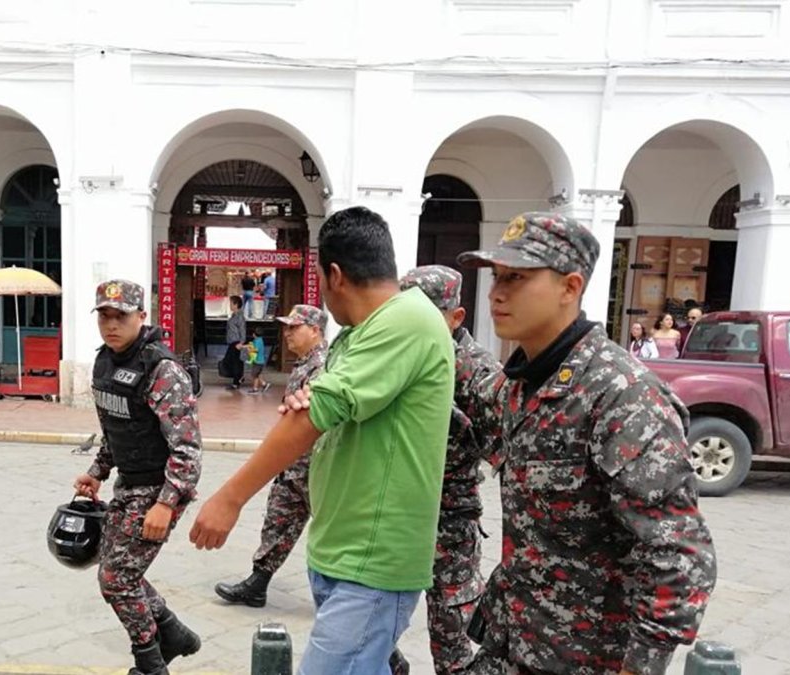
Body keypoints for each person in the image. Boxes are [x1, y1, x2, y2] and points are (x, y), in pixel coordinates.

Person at [190, 206, 455, 674]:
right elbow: (320, 408)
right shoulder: (360, 334)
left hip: (371, 561)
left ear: (334, 275)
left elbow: (314, 413)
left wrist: (229, 498)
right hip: (342, 548)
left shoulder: (406, 321)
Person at [453, 212, 716, 674]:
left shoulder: (621, 394)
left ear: (570, 288)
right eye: (497, 277)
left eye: (517, 278)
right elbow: (472, 387)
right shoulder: (525, 382)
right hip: (513, 642)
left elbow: (680, 555)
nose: (497, 292)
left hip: (587, 658)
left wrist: (641, 666)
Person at [72, 279, 203, 675]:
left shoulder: (162, 370)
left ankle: (150, 664)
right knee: (118, 572)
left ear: (142, 317)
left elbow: (188, 448)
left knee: (116, 578)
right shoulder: (105, 362)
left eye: (121, 316)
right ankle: (174, 633)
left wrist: (166, 503)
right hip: (127, 485)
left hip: (158, 488)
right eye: (105, 316)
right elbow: (116, 427)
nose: (112, 324)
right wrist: (97, 472)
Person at [397, 265, 495, 675]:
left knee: (451, 628)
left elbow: (503, 446)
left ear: (455, 318)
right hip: (397, 515)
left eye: (424, 312)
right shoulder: (400, 353)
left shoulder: (476, 371)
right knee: (370, 620)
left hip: (449, 520)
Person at [213, 304, 328, 608]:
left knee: (333, 537)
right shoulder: (305, 363)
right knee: (278, 521)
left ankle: (356, 613)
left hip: (319, 469)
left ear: (315, 330)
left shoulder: (325, 366)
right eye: (287, 327)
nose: (287, 333)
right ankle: (257, 583)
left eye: (295, 327)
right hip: (294, 467)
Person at [224, 295, 246, 390]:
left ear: (236, 304)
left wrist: (241, 342)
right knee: (232, 361)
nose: (230, 305)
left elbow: (242, 330)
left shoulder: (240, 317)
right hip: (232, 342)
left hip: (236, 342)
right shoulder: (234, 316)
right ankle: (238, 378)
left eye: (231, 303)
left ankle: (236, 381)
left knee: (235, 362)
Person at [245, 327, 269, 393]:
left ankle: (255, 389)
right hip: (260, 361)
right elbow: (251, 345)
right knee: (258, 374)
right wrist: (244, 346)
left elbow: (256, 350)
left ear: (254, 334)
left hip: (258, 361)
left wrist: (249, 350)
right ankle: (264, 384)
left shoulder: (258, 341)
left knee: (254, 375)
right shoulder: (259, 340)